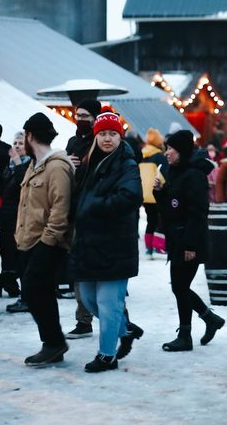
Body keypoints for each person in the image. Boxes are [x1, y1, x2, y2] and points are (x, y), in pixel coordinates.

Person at [68, 112, 144, 372]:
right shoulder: (91, 164)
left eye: (112, 134)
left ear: (120, 137)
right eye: (102, 134)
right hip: (90, 243)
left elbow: (130, 197)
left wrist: (93, 206)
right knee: (88, 298)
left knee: (108, 303)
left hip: (115, 244)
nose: (107, 138)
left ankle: (107, 355)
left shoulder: (127, 164)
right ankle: (125, 329)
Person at [154, 129, 225, 351]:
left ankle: (186, 335)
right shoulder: (177, 171)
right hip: (178, 238)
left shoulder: (194, 175)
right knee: (180, 286)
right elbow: (172, 208)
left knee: (180, 286)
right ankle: (209, 319)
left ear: (181, 151)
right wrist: (160, 192)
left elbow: (198, 212)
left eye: (171, 149)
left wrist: (190, 245)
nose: (167, 153)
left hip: (188, 240)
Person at [16, 112, 75, 367]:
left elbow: (60, 210)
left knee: (32, 289)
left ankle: (53, 341)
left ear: (29, 136)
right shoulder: (34, 165)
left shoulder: (57, 166)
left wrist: (48, 242)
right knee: (40, 291)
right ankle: (51, 343)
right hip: (28, 239)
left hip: (48, 241)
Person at [64, 100, 101, 338]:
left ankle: (120, 318)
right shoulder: (73, 142)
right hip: (75, 209)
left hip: (96, 211)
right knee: (79, 267)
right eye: (78, 115)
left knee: (100, 267)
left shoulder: (102, 141)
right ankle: (83, 319)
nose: (80, 119)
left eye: (85, 115)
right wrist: (69, 164)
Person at [0, 130, 29, 304]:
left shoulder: (28, 165)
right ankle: (11, 284)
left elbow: (24, 186)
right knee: (7, 251)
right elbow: (3, 191)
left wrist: (18, 163)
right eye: (15, 144)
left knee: (20, 252)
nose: (17, 146)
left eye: (21, 143)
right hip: (7, 214)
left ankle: (25, 290)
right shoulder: (11, 166)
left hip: (21, 215)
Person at [140, 128, 169, 256]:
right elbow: (165, 174)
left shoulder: (142, 155)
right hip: (156, 192)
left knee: (150, 221)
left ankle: (148, 248)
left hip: (144, 195)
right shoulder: (159, 156)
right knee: (161, 220)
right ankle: (159, 246)